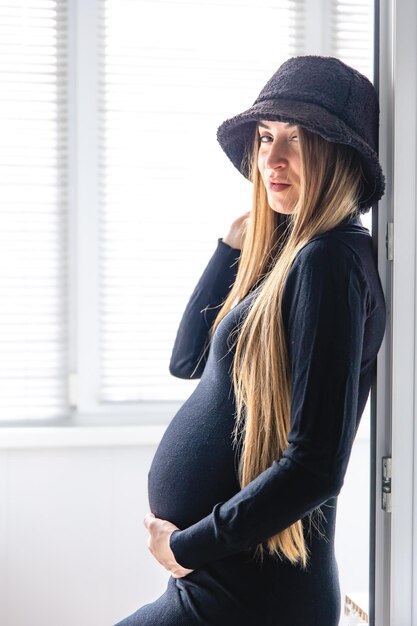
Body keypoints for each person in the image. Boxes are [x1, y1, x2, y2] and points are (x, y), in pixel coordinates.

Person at [114, 55, 387, 625]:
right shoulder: (295, 254)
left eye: (296, 139)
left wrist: (186, 547)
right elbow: (188, 361)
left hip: (249, 598)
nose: (271, 159)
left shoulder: (330, 260)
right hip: (222, 588)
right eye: (265, 138)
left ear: (336, 156)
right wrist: (230, 250)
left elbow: (314, 465)